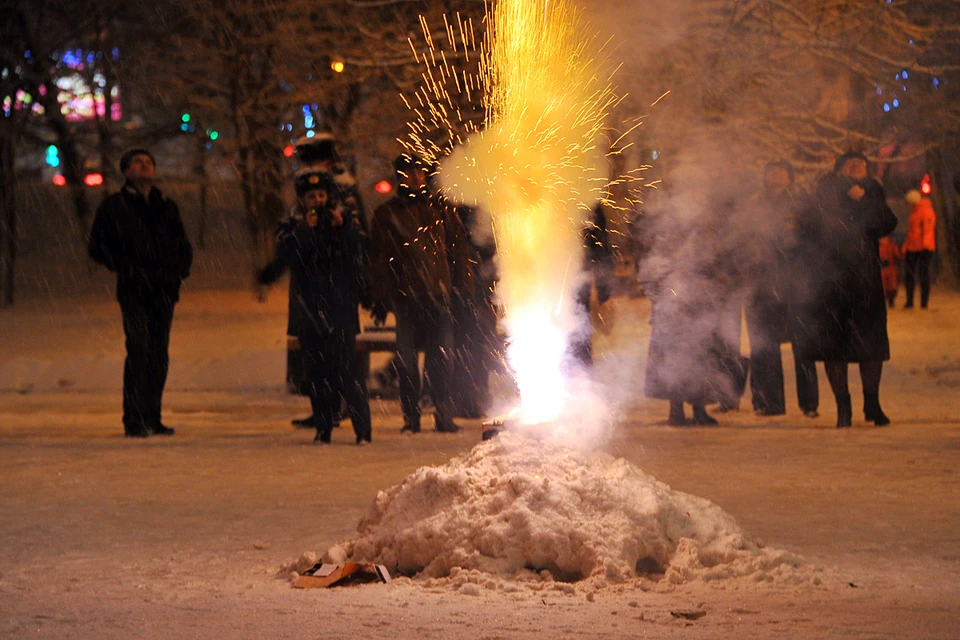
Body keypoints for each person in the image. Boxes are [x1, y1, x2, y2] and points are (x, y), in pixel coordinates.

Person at [258, 170, 372, 445]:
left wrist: (342, 227)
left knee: (348, 373)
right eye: (312, 196)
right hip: (309, 310)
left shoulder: (344, 221)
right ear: (302, 199)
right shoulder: (292, 225)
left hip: (341, 308)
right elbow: (287, 256)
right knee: (317, 373)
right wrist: (305, 231)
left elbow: (361, 250)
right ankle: (323, 427)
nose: (318, 201)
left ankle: (363, 431)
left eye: (322, 195)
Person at [88, 149, 193, 438]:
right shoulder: (115, 207)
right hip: (134, 290)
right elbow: (97, 246)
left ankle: (152, 416)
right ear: (126, 171)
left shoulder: (165, 206)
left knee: (159, 353)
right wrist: (125, 265)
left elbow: (183, 244)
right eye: (138, 162)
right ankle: (134, 418)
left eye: (148, 162)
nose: (144, 166)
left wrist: (178, 272)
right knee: (139, 350)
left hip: (163, 290)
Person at [368, 154, 474, 434]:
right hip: (407, 299)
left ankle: (443, 415)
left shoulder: (442, 210)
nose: (415, 177)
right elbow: (379, 260)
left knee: (441, 362)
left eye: (419, 171)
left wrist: (462, 290)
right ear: (399, 176)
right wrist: (380, 297)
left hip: (439, 298)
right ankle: (411, 419)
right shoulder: (387, 214)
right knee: (407, 364)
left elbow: (460, 253)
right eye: (409, 172)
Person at [800, 151, 898, 428]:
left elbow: (887, 223)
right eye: (851, 164)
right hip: (831, 280)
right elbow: (809, 228)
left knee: (872, 346)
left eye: (862, 164)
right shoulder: (824, 194)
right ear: (839, 169)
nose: (858, 168)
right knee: (835, 346)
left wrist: (863, 200)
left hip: (865, 280)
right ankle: (844, 407)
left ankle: (872, 403)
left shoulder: (872, 192)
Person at [570, 203, 616, 368]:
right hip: (542, 284)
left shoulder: (586, 199)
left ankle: (581, 382)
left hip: (579, 281)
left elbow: (600, 246)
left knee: (579, 329)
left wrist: (605, 293)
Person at [901, 189, 936, 309]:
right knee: (914, 274)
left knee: (921, 275)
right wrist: (907, 246)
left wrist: (925, 247)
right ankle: (912, 302)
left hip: (922, 248)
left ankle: (922, 303)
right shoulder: (916, 212)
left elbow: (927, 230)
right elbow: (912, 232)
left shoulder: (924, 212)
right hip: (914, 247)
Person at [878, 235, 902, 309]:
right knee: (883, 286)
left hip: (890, 269)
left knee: (891, 286)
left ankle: (890, 300)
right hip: (883, 270)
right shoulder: (878, 247)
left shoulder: (892, 246)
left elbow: (898, 256)